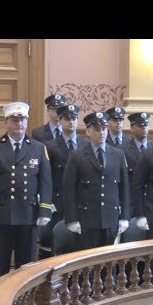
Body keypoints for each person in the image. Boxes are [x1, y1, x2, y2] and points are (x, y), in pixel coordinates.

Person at [0, 101, 52, 280]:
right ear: (7, 122)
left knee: (26, 268)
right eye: (14, 119)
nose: (19, 124)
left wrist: (44, 209)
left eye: (22, 120)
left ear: (26, 122)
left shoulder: (37, 147)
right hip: (1, 216)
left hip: (28, 214)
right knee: (1, 266)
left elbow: (46, 182)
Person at [63, 111, 130, 251]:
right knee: (88, 266)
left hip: (111, 218)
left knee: (109, 264)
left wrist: (124, 217)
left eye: (104, 128)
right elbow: (69, 189)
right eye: (97, 129)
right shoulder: (77, 155)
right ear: (88, 131)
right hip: (86, 219)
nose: (102, 132)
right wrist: (72, 219)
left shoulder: (118, 154)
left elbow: (124, 188)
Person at [41, 104, 89, 258]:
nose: (71, 122)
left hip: (81, 203)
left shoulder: (86, 145)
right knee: (55, 246)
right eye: (67, 119)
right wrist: (47, 202)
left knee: (79, 247)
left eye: (74, 118)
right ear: (60, 120)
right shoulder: (50, 146)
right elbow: (45, 177)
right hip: (58, 203)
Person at [120, 112, 153, 219]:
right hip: (130, 200)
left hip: (151, 201)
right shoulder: (122, 150)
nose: (144, 128)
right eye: (140, 126)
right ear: (132, 128)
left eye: (146, 125)